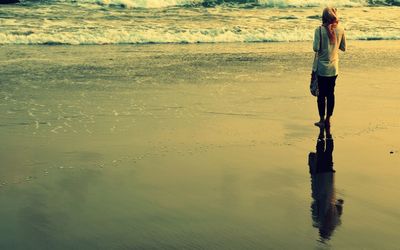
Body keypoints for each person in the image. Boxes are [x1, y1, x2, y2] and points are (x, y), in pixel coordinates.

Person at [308, 127, 344, 241]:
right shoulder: (320, 220)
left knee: (328, 154)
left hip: (326, 179)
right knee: (322, 153)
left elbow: (340, 204)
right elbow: (313, 205)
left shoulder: (332, 221)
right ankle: (323, 133)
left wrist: (338, 203)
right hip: (320, 180)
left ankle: (327, 133)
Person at [313, 7, 346, 128]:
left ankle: (322, 120)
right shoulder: (341, 29)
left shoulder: (318, 30)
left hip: (322, 68)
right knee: (331, 93)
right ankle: (328, 119)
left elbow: (316, 48)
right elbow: (343, 48)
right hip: (334, 68)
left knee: (321, 95)